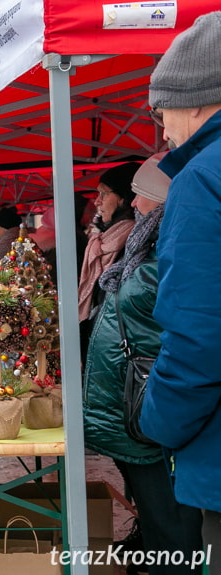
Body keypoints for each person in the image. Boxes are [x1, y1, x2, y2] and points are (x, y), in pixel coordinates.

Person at [83, 153, 203, 574]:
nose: (134, 204)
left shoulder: (169, 248)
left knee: (173, 528)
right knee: (157, 522)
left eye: (142, 195)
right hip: (135, 413)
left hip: (154, 414)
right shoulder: (147, 244)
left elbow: (185, 338)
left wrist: (164, 414)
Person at [140, 13, 221, 572]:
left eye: (162, 110)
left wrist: (157, 423)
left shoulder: (202, 178)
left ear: (196, 101)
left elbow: (198, 333)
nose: (162, 128)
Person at [77, 162, 139, 357]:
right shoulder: (100, 241)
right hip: (101, 345)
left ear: (124, 198)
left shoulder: (136, 242)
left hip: (118, 349)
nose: (97, 202)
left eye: (104, 194)